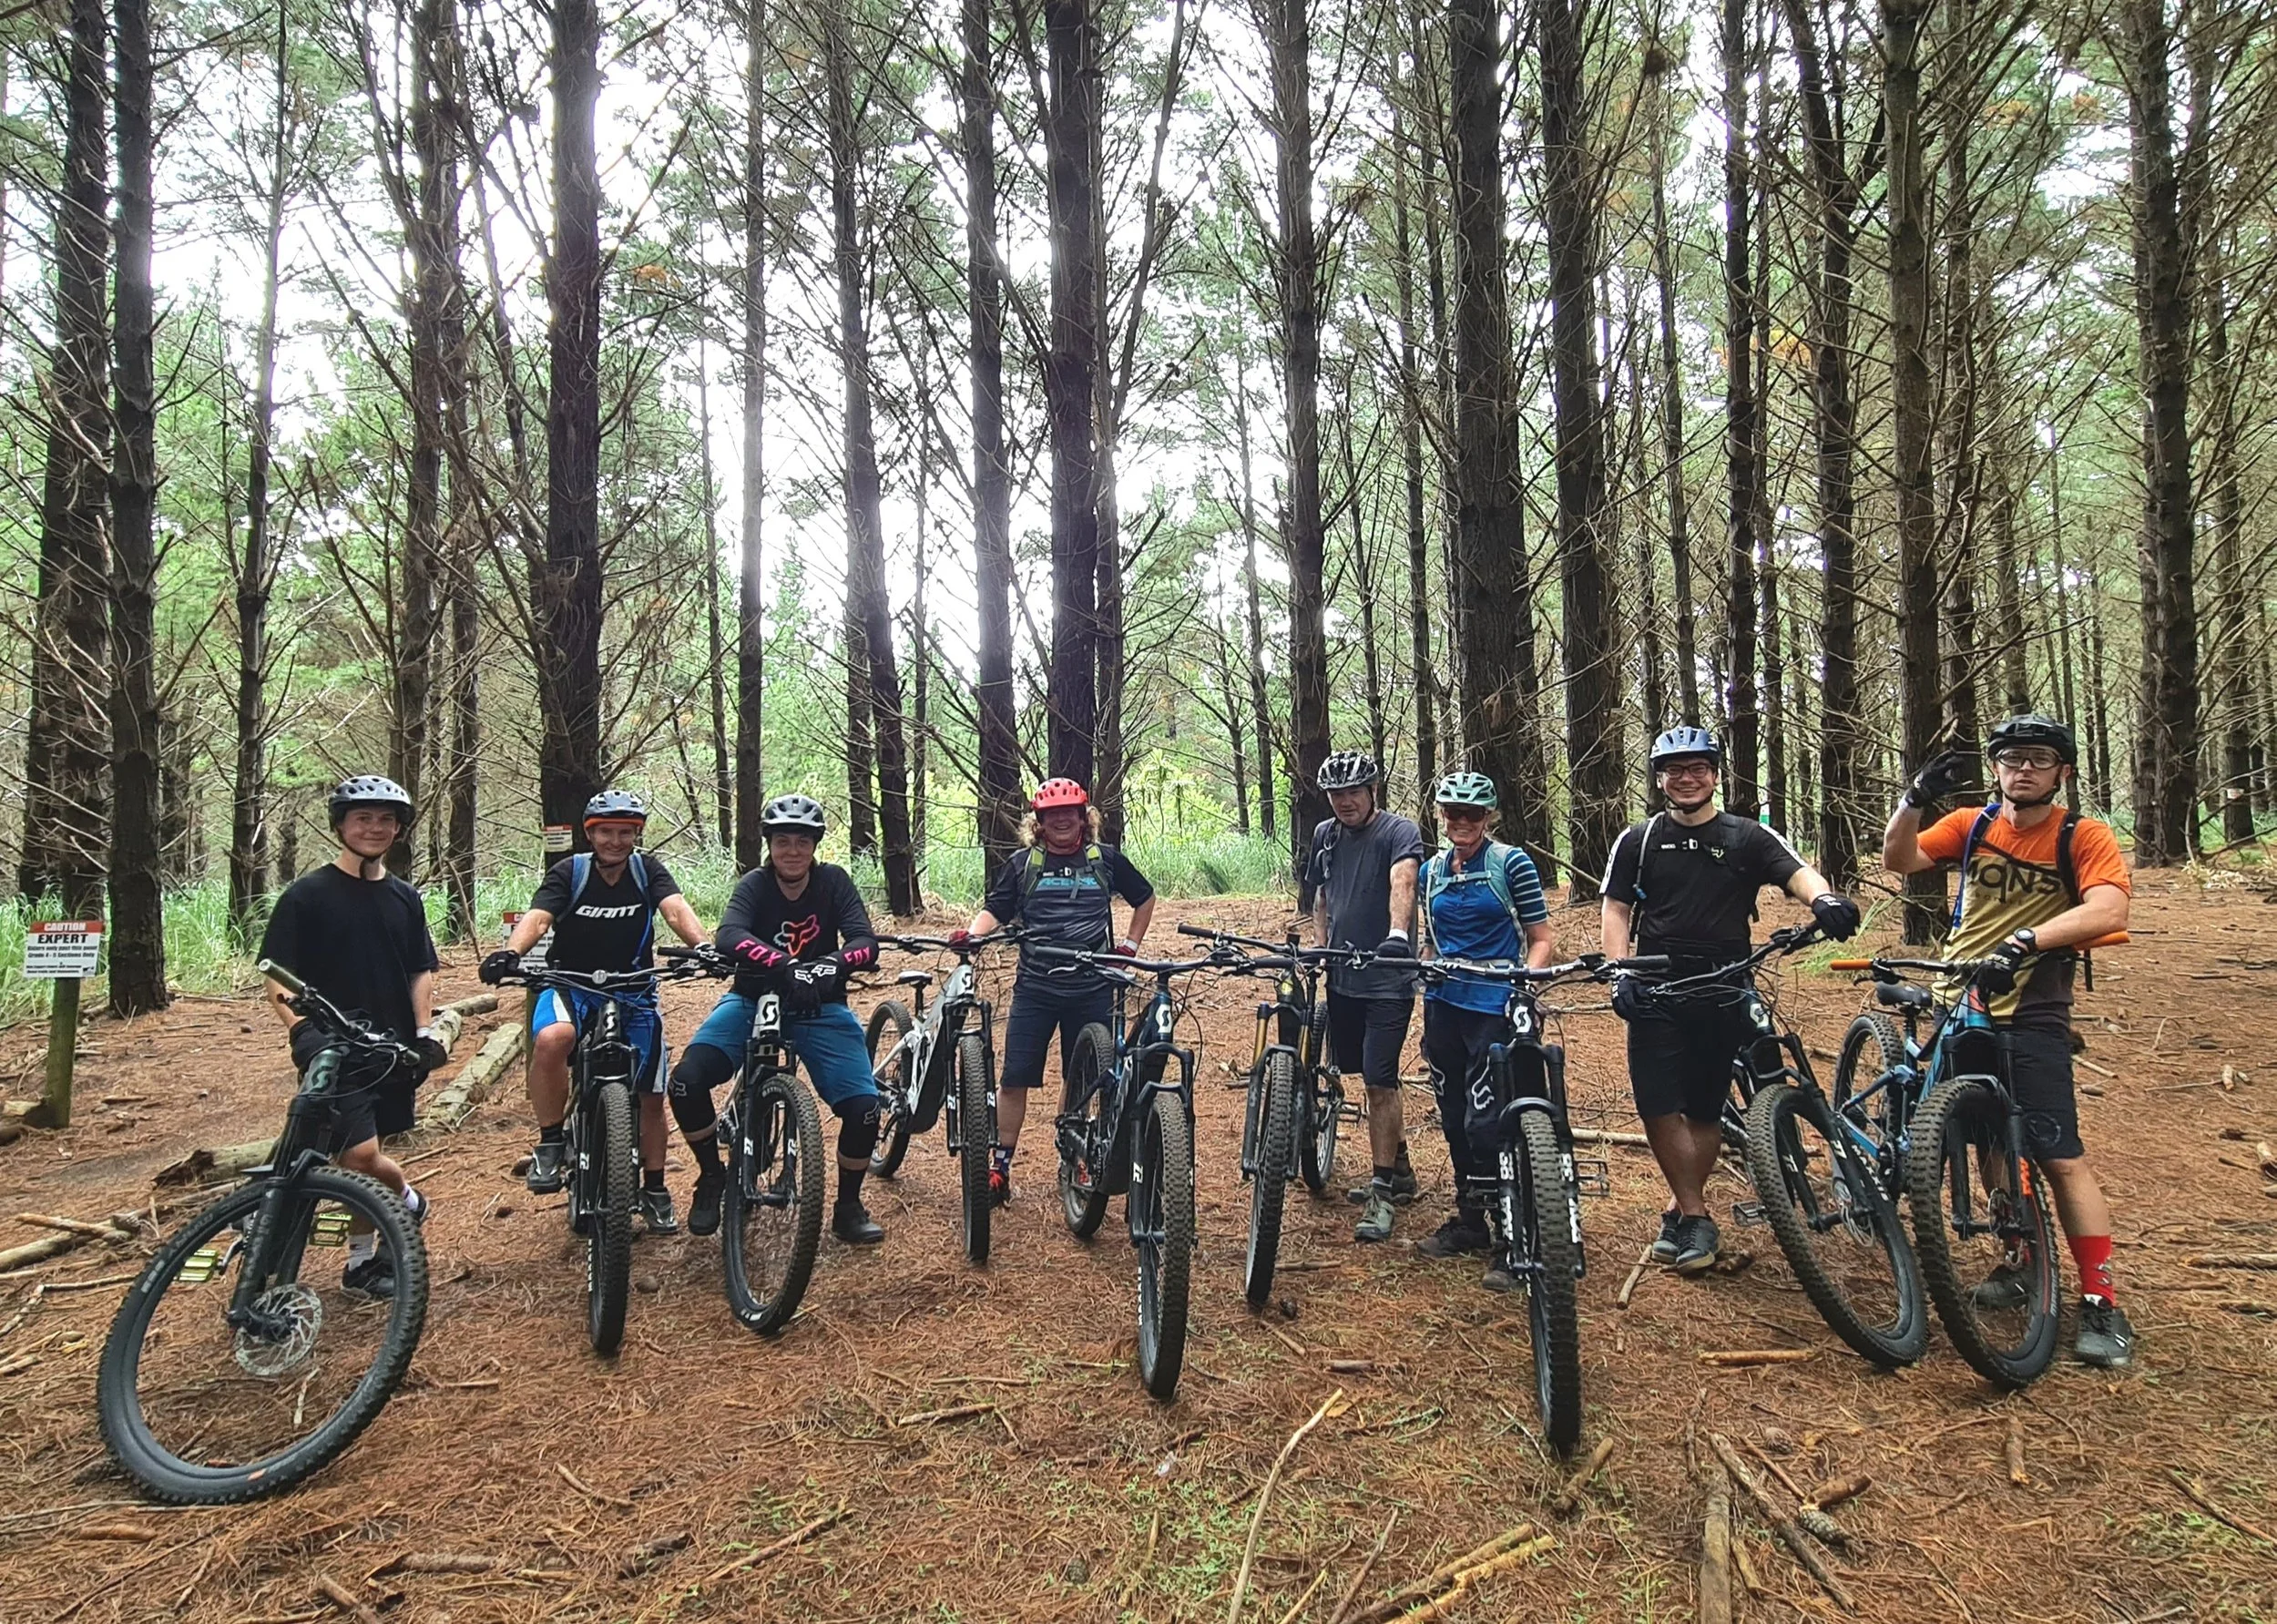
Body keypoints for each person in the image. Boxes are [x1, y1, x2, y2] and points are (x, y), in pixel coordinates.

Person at [1881, 714, 2136, 1367]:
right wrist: (1914, 799)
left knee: (2057, 1152)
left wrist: (2029, 939)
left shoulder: (2082, 835)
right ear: (1997, 766)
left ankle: (2102, 1301)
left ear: (2062, 772)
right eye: (2012, 757)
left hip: (2033, 1007)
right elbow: (1900, 858)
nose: (2023, 768)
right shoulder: (1974, 825)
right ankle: (2020, 1256)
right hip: (1960, 1001)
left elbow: (2109, 908)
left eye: (2038, 759)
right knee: (1985, 1142)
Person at [1599, 727, 1862, 1275]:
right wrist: (1620, 973)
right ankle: (1698, 1214)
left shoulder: (1746, 835)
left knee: (1703, 1106)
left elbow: (1797, 873)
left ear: (1715, 775)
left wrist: (1826, 899)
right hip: (1656, 985)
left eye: (1697, 768)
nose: (1686, 778)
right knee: (1655, 1103)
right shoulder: (1639, 839)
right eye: (1674, 769)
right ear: (1661, 780)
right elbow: (1617, 909)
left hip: (1724, 983)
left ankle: (1680, 1210)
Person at [481, 790, 710, 1236]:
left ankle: (656, 1187)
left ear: (637, 835)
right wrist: (511, 952)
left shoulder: (647, 872)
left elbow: (675, 909)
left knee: (650, 1093)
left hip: (634, 988)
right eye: (606, 832)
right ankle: (550, 1141)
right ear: (591, 834)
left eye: (626, 832)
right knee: (552, 1040)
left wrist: (701, 946)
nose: (616, 841)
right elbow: (540, 917)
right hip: (571, 983)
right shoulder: (571, 872)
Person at [666, 794, 885, 1244]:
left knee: (865, 1109)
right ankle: (711, 1176)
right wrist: (783, 964)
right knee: (686, 1081)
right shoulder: (755, 884)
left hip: (820, 1008)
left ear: (815, 846)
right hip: (750, 998)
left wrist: (832, 965)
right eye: (782, 841)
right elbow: (729, 934)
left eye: (802, 841)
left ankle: (847, 1207)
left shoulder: (833, 882)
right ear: (769, 844)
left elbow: (865, 940)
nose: (792, 851)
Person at [258, 774, 445, 1299]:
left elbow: (419, 969)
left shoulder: (404, 897)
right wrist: (300, 1032)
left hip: (390, 1047)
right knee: (358, 1156)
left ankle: (362, 1261)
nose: (375, 828)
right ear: (340, 825)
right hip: (330, 1045)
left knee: (362, 1154)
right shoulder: (308, 895)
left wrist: (425, 1032)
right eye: (363, 818)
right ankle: (407, 1202)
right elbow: (277, 971)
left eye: (386, 820)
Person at [957, 778, 1155, 1206]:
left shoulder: (1105, 860)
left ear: (1084, 818)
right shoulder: (1024, 865)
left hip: (1093, 986)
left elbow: (1145, 897)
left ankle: (1073, 1150)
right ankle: (1000, 1167)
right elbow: (995, 909)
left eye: (1070, 812)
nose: (1062, 820)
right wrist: (973, 936)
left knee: (1083, 1078)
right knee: (1015, 1079)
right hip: (1037, 987)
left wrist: (1129, 947)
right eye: (1052, 815)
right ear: (1040, 823)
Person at [1414, 771, 1555, 1285]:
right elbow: (1432, 940)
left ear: (1489, 817)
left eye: (1473, 814)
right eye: (1453, 813)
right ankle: (1471, 1218)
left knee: (1489, 1121)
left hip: (1495, 1004)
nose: (1462, 823)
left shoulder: (1510, 863)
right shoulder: (1431, 871)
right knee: (1453, 1116)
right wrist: (1422, 967)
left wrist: (1525, 982)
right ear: (1442, 817)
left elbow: (1541, 936)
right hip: (1445, 1004)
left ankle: (1516, 1233)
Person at [1304, 751, 1429, 1243]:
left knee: (1380, 1080)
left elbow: (1405, 880)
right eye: (1336, 794)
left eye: (1354, 792)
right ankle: (1399, 1169)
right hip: (1342, 978)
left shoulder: (1399, 832)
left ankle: (1380, 1192)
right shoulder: (1326, 835)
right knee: (1360, 1073)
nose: (1345, 802)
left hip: (1387, 980)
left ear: (1371, 791)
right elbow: (1321, 896)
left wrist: (1398, 935)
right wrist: (1320, 948)